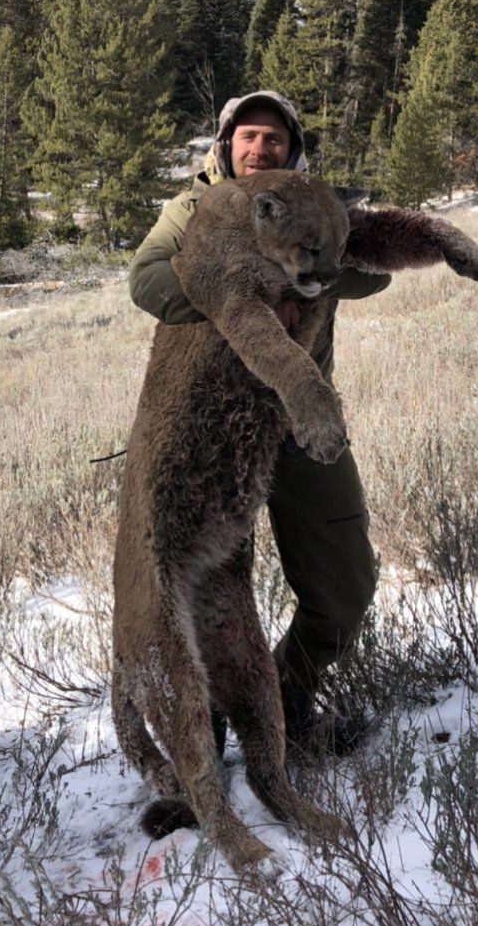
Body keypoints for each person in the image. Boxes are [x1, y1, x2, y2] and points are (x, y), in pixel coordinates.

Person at [128, 90, 389, 754]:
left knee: (347, 580)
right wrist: (230, 291)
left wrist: (313, 260)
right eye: (246, 136)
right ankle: (207, 733)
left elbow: (374, 272)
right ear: (224, 147)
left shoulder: (319, 206)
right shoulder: (191, 210)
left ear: (291, 150)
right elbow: (147, 280)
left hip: (304, 425)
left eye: (273, 137)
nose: (259, 146)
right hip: (209, 435)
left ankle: (289, 695)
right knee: (207, 598)